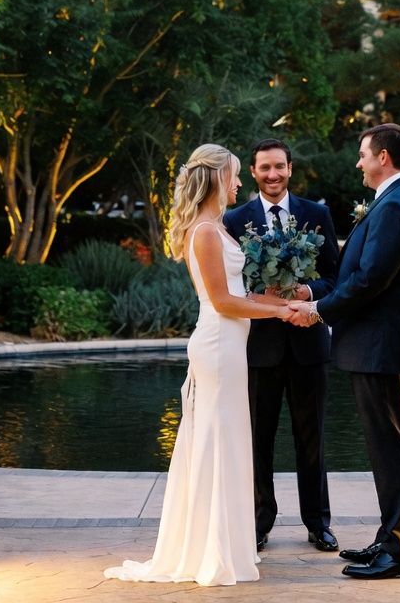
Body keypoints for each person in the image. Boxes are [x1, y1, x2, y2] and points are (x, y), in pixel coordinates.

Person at [104, 144, 293, 587]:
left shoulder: (216, 227)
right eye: (235, 174)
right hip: (218, 345)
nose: (240, 182)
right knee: (216, 441)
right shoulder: (205, 232)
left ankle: (223, 543)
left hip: (230, 345)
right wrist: (282, 314)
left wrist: (285, 302)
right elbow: (224, 302)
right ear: (216, 178)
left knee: (226, 440)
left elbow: (240, 294)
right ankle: (211, 550)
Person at [289, 123, 400, 581]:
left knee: (391, 448)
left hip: (381, 346)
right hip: (380, 346)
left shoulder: (397, 207)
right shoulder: (398, 200)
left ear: (383, 158)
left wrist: (317, 310)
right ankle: (389, 540)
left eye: (363, 154)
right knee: (388, 446)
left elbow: (370, 280)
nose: (358, 162)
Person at [223, 138, 341, 554]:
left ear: (290, 168)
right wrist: (265, 298)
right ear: (254, 172)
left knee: (313, 439)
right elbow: (231, 285)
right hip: (259, 348)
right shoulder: (234, 220)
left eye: (279, 166)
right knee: (258, 440)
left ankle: (318, 524)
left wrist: (307, 292)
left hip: (309, 344)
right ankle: (259, 522)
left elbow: (335, 278)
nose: (272, 174)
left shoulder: (317, 215)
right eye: (264, 168)